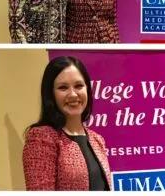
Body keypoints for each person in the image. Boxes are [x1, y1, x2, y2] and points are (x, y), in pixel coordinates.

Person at [23, 56, 111, 190]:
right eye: (63, 87)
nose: (73, 94)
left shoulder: (97, 139)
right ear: (51, 94)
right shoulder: (41, 138)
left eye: (79, 86)